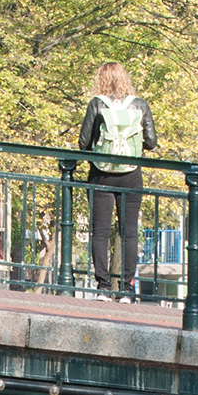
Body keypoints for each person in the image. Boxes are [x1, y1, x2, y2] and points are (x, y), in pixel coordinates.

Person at [78, 62, 158, 298]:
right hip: (131, 174)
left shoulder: (97, 104)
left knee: (100, 232)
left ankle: (103, 287)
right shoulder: (139, 104)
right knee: (129, 233)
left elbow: (83, 142)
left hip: (101, 174)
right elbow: (151, 142)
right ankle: (126, 289)